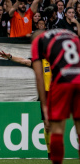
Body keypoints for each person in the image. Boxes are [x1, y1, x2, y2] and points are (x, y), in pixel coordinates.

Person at [31, 29, 80, 164]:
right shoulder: (71, 34)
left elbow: (39, 76)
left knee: (57, 130)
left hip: (62, 82)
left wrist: (45, 105)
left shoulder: (38, 41)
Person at [0, 50, 51, 159]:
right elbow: (24, 61)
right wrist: (10, 56)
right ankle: (50, 152)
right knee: (47, 126)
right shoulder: (41, 61)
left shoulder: (61, 61)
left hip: (61, 94)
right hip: (46, 97)